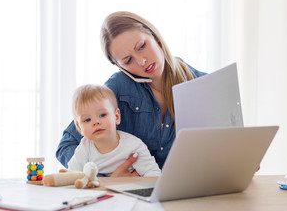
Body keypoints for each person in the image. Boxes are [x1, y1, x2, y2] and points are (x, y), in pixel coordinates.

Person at [56, 11, 206, 176]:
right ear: (120, 66)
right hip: (129, 197)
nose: (141, 61)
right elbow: (66, 145)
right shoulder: (117, 88)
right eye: (128, 60)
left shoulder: (200, 82)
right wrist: (104, 178)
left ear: (154, 36)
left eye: (142, 46)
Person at [67, 84, 161, 177]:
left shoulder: (134, 146)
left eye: (102, 115)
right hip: (98, 191)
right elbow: (72, 176)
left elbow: (153, 173)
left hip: (129, 190)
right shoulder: (84, 148)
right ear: (79, 128)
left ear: (116, 116)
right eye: (87, 120)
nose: (96, 122)